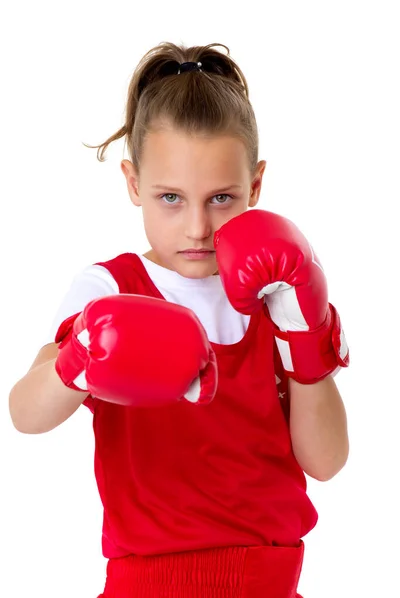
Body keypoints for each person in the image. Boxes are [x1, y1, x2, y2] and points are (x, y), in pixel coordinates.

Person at [9, 42, 350, 598]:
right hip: (148, 584)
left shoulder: (277, 292)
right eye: (170, 197)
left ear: (256, 187)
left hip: (272, 582)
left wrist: (305, 337)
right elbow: (25, 413)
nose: (197, 227)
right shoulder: (109, 288)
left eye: (222, 198)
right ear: (133, 182)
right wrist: (79, 359)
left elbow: (327, 461)